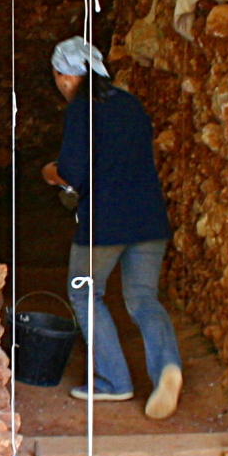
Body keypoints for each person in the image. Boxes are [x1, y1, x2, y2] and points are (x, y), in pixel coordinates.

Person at [42, 37, 183, 418]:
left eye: (58, 76)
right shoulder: (130, 104)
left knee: (85, 293)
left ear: (67, 76)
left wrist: (51, 174)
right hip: (149, 217)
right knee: (142, 298)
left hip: (104, 222)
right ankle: (168, 366)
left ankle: (113, 382)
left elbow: (73, 171)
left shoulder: (81, 111)